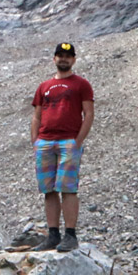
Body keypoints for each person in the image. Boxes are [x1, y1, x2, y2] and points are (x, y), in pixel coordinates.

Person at [30, 42, 94, 252]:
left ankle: (71, 235)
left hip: (68, 141)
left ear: (74, 60)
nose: (64, 59)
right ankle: (53, 234)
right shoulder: (44, 86)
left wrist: (78, 141)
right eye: (60, 55)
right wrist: (35, 141)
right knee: (48, 190)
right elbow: (37, 115)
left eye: (68, 56)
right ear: (54, 59)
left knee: (67, 188)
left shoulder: (81, 84)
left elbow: (89, 114)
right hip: (45, 142)